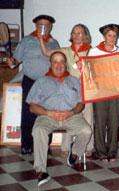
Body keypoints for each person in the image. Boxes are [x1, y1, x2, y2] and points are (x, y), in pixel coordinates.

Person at [26, 51, 92, 186]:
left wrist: (71, 112)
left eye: (62, 61)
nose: (59, 65)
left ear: (65, 64)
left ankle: (74, 153)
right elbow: (32, 107)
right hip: (47, 117)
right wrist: (48, 113)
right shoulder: (41, 81)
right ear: (50, 64)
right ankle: (41, 170)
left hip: (70, 116)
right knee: (38, 130)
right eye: (55, 62)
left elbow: (81, 104)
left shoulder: (74, 80)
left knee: (86, 131)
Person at [6, 15, 59, 155]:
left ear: (50, 27)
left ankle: (45, 145)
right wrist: (12, 62)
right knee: (28, 113)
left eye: (46, 25)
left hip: (48, 82)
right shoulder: (26, 40)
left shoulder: (54, 43)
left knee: (47, 114)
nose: (43, 28)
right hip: (30, 81)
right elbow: (16, 60)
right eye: (40, 25)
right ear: (35, 26)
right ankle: (27, 145)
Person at [39, 24, 94, 157]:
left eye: (79, 33)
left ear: (85, 35)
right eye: (74, 33)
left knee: (88, 116)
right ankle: (65, 147)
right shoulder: (66, 50)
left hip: (87, 89)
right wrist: (41, 38)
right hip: (70, 90)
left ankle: (88, 147)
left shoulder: (91, 51)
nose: (76, 36)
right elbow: (46, 53)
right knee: (69, 115)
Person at [88, 24, 119, 162]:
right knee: (100, 120)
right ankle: (101, 152)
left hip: (115, 91)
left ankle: (112, 151)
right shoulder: (94, 51)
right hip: (100, 91)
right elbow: (89, 71)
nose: (112, 38)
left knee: (114, 120)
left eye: (114, 36)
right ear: (104, 36)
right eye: (109, 35)